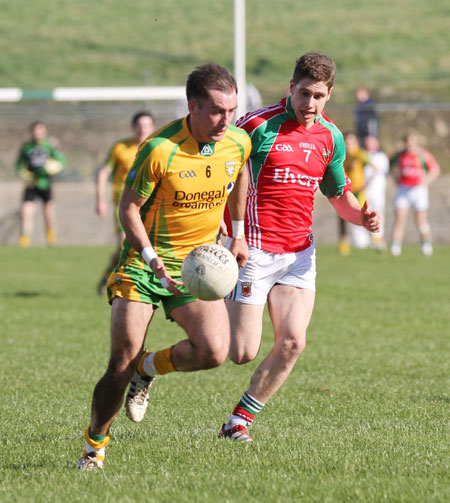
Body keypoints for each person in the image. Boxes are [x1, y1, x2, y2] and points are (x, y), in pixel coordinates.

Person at [77, 63, 252, 470]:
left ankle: (149, 368)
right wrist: (152, 260)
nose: (226, 120)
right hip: (144, 264)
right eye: (216, 111)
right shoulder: (160, 148)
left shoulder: (237, 142)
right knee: (119, 361)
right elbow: (128, 208)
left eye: (232, 110)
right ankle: (93, 447)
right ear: (192, 106)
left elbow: (240, 170)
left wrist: (238, 231)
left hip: (196, 266)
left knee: (213, 351)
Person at [217, 51, 380, 442]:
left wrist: (362, 218)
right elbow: (221, 181)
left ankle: (238, 422)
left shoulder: (330, 137)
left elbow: (340, 195)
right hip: (252, 250)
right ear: (290, 87)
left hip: (298, 256)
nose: (310, 104)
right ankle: (159, 357)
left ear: (329, 96)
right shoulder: (256, 126)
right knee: (240, 352)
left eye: (319, 96)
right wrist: (227, 234)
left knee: (293, 343)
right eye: (304, 93)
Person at [95, 111, 155, 295]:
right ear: (133, 127)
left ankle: (111, 276)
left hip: (149, 205)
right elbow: (103, 173)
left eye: (146, 126)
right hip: (124, 205)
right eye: (139, 125)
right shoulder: (121, 148)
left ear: (152, 128)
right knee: (124, 245)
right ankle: (119, 284)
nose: (142, 129)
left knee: (141, 246)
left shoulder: (156, 148)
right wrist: (100, 200)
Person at [15, 121, 66, 247]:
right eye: (35, 131)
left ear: (44, 132)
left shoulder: (49, 146)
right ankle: (25, 239)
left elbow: (61, 162)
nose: (37, 134)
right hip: (31, 185)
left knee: (48, 212)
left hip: (46, 184)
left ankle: (50, 238)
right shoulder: (27, 147)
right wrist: (24, 173)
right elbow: (18, 165)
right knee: (26, 211)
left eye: (40, 131)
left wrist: (51, 168)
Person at [390, 132, 440, 256]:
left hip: (418, 190)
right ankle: (395, 246)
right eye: (407, 141)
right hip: (404, 189)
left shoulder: (422, 154)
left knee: (420, 220)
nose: (409, 144)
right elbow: (390, 167)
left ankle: (426, 243)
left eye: (412, 141)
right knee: (400, 218)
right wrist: (395, 177)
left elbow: (435, 169)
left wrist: (426, 180)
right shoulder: (399, 155)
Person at [338, 132, 370, 254]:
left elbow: (375, 168)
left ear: (356, 142)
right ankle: (344, 243)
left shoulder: (360, 155)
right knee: (341, 216)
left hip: (358, 191)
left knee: (363, 214)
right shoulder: (341, 156)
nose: (348, 144)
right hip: (344, 190)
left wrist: (366, 184)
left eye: (350, 141)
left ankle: (376, 239)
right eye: (346, 141)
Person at [364, 135, 390, 251]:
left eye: (370, 143)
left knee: (378, 213)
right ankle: (363, 241)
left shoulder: (381, 157)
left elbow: (381, 172)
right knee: (364, 213)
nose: (368, 145)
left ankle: (378, 238)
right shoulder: (362, 155)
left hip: (377, 190)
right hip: (363, 190)